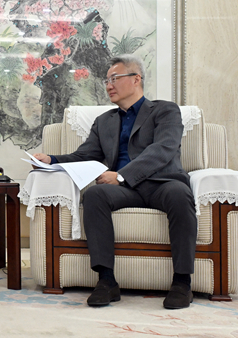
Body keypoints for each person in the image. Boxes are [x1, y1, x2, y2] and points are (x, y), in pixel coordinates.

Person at [32, 55, 197, 309]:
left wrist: (121, 175)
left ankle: (182, 283)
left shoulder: (165, 110)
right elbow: (85, 155)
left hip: (162, 183)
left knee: (180, 194)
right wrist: (51, 159)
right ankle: (106, 281)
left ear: (136, 79)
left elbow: (163, 150)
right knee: (95, 195)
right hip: (126, 190)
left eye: (115, 79)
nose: (109, 85)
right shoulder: (104, 121)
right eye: (107, 80)